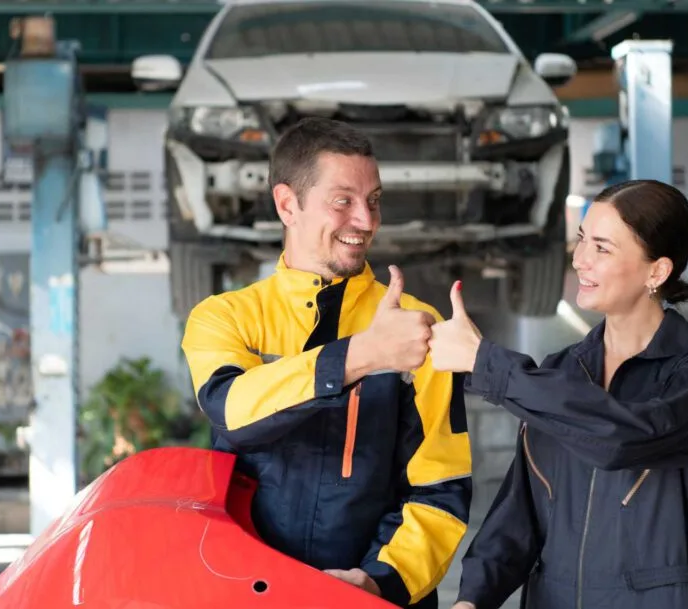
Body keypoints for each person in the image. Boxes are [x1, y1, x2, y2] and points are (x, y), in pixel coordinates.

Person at [180, 117, 473, 608]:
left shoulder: (416, 325)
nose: (366, 220)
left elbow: (440, 487)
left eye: (374, 200)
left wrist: (378, 581)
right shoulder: (225, 317)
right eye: (343, 201)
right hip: (249, 592)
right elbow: (233, 410)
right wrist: (360, 356)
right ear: (287, 204)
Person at [425, 179, 688, 609]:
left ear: (657, 271)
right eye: (581, 241)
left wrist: (485, 364)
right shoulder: (560, 371)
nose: (579, 260)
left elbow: (623, 438)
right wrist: (472, 599)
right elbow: (519, 513)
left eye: (602, 248)